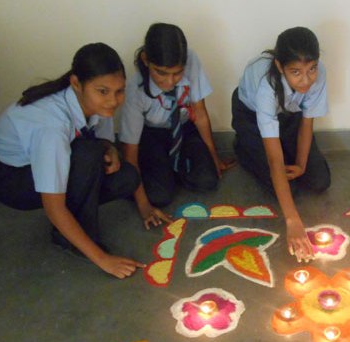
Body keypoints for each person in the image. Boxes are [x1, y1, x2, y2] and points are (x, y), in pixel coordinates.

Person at [0, 43, 146, 279]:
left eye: (119, 91)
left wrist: (109, 147)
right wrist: (104, 260)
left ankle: (74, 219)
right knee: (88, 155)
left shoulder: (96, 104)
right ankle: (71, 239)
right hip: (8, 177)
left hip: (56, 156)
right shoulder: (52, 127)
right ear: (76, 84)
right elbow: (53, 207)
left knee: (126, 177)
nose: (113, 100)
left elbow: (100, 139)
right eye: (103, 91)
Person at [232, 26, 331, 262]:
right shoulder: (266, 87)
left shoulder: (318, 75)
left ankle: (288, 152)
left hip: (289, 114)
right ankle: (243, 147)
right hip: (250, 116)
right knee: (289, 189)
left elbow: (307, 122)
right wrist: (292, 221)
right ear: (279, 66)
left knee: (319, 180)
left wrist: (301, 164)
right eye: (296, 72)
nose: (306, 80)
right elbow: (274, 159)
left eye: (312, 69)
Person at [120, 23, 234, 210]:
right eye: (161, 73)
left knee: (208, 180)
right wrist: (144, 206)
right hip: (152, 134)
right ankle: (166, 171)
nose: (170, 81)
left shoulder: (191, 59)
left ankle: (172, 169)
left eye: (177, 73)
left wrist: (214, 156)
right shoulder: (135, 90)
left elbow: (199, 112)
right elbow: (130, 150)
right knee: (160, 196)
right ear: (146, 60)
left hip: (184, 128)